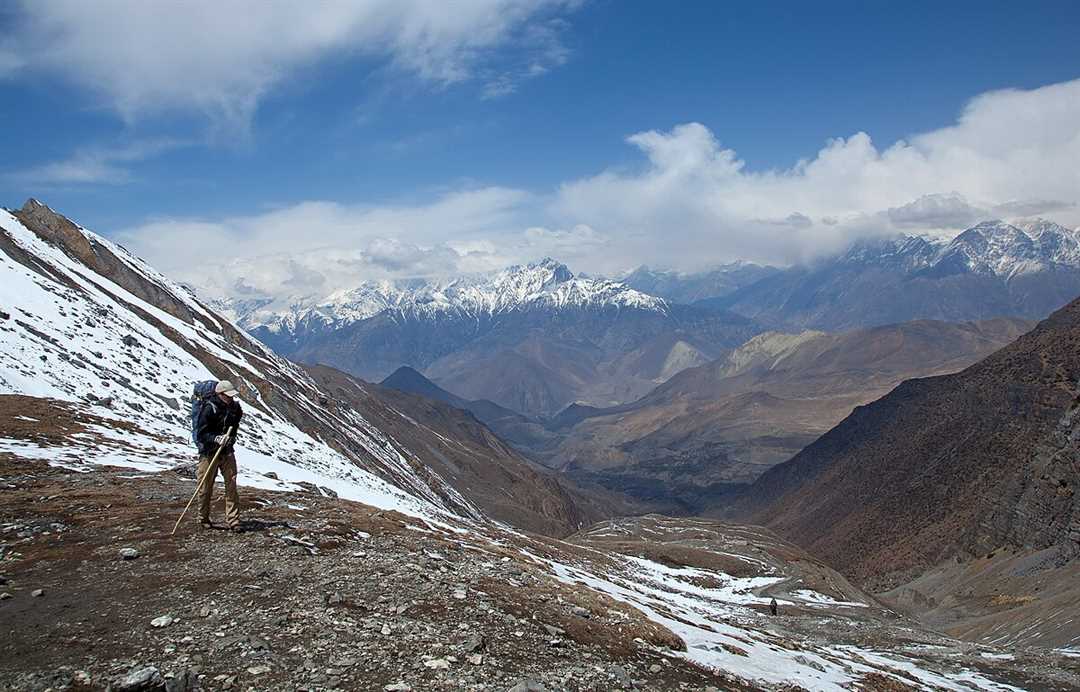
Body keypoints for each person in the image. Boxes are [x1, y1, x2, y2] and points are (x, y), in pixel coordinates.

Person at [194, 379, 243, 530]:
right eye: (228, 396)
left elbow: (234, 426)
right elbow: (202, 434)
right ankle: (203, 518)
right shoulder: (209, 409)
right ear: (220, 394)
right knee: (205, 486)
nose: (231, 399)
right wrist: (215, 438)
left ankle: (233, 520)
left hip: (226, 451)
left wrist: (230, 438)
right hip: (209, 452)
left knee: (231, 484)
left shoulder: (235, 408)